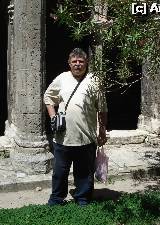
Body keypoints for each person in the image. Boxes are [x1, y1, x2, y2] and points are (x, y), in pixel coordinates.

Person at [44, 48, 108, 206]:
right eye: (74, 62)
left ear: (86, 63)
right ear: (69, 63)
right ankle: (56, 199)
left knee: (84, 173)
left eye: (81, 61)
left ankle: (83, 198)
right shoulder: (62, 78)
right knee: (59, 172)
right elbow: (48, 96)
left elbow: (102, 107)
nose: (77, 64)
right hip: (63, 137)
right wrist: (53, 116)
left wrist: (102, 130)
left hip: (86, 137)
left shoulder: (94, 80)